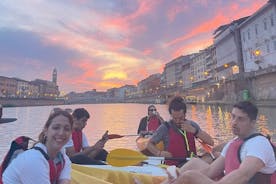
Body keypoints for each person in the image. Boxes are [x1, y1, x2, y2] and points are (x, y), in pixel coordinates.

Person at [163, 101, 276, 184]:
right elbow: (210, 171)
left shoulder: (259, 144)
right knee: (193, 163)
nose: (234, 122)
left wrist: (190, 178)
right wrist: (180, 178)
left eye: (240, 119)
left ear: (252, 123)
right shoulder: (233, 143)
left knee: (189, 176)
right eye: (233, 117)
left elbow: (243, 175)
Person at [2, 109, 73, 184]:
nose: (61, 133)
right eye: (56, 128)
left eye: (67, 129)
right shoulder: (34, 159)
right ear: (46, 130)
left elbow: (64, 181)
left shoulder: (62, 157)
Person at [146, 96, 214, 166]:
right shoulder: (164, 128)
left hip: (192, 163)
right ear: (171, 115)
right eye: (175, 118)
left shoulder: (192, 125)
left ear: (185, 114)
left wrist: (194, 131)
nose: (178, 121)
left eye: (181, 118)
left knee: (216, 154)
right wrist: (159, 153)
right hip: (175, 166)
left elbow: (211, 142)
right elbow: (149, 144)